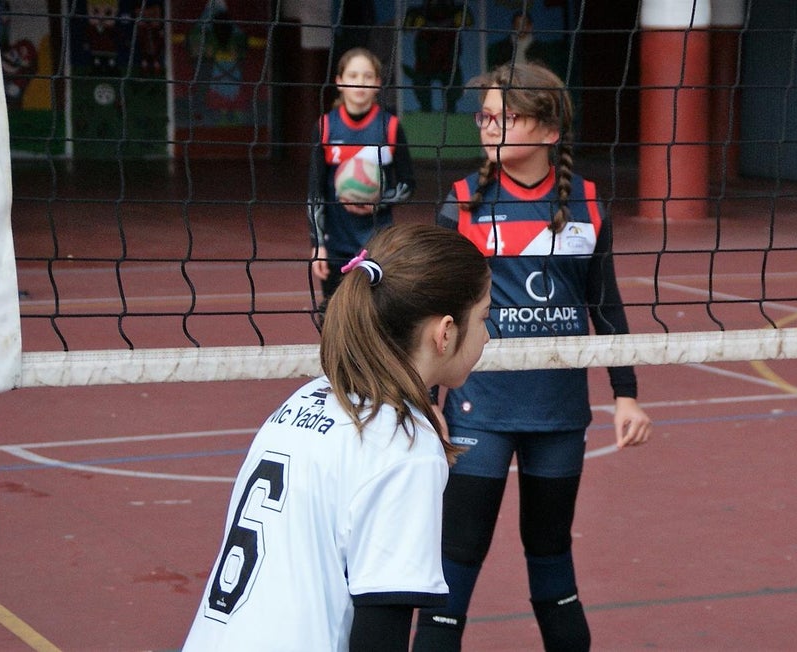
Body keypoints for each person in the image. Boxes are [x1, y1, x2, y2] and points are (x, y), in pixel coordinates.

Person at [413, 62, 653, 652]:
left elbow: (605, 303)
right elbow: (435, 313)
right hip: (479, 410)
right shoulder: (463, 204)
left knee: (551, 556)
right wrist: (425, 402)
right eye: (485, 116)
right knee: (457, 557)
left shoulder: (588, 204)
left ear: (549, 130)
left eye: (508, 116)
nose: (490, 126)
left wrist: (626, 394)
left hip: (558, 413)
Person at [182, 224, 492, 651]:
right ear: (445, 333)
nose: (487, 335)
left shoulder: (307, 397)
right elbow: (381, 633)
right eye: (484, 318)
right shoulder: (406, 444)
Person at [308, 47, 415, 305]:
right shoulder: (326, 126)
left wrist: (378, 201)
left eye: (368, 76)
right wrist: (318, 244)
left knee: (376, 314)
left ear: (377, 83)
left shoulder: (390, 126)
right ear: (339, 81)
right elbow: (315, 192)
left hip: (378, 243)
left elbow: (408, 184)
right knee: (333, 314)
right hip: (336, 243)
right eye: (353, 75)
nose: (360, 82)